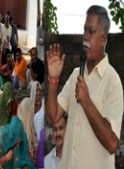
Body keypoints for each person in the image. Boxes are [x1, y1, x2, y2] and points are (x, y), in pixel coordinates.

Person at [46, 5, 124, 169]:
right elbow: (53, 115)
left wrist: (86, 101)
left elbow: (112, 144)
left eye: (91, 31)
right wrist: (53, 81)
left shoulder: (112, 81)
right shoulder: (76, 74)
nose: (85, 37)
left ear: (103, 38)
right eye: (84, 31)